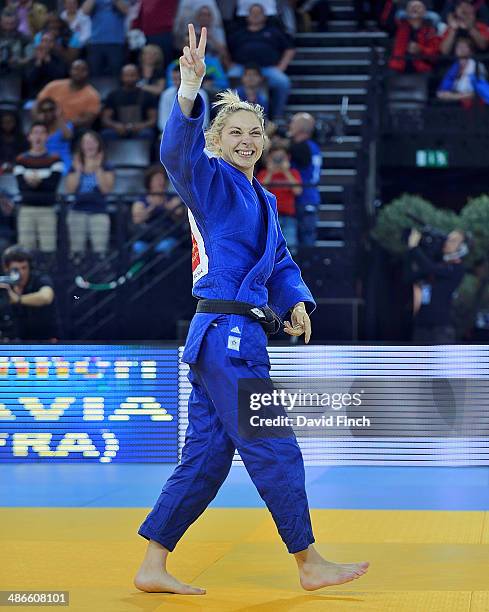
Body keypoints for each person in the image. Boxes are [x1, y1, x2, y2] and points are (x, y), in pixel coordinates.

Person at [134, 23, 369, 595]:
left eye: (255, 132)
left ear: (265, 142)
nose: (247, 140)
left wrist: (297, 303)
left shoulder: (262, 197)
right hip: (226, 334)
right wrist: (189, 88)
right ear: (215, 139)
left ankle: (151, 566)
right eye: (235, 131)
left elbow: (281, 261)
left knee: (209, 458)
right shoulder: (209, 179)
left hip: (235, 333)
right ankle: (309, 561)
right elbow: (175, 152)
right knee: (273, 444)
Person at [227, 3, 295, 120]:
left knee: (283, 82)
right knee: (227, 78)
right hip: (242, 69)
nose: (255, 15)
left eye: (259, 13)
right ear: (247, 16)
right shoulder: (239, 33)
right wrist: (228, 64)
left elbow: (290, 49)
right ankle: (228, 115)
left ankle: (277, 116)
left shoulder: (274, 32)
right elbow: (226, 49)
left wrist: (281, 67)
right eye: (253, 13)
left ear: (265, 16)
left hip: (267, 69)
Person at [407, 228, 466, 344]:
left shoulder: (457, 268)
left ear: (462, 247)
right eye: (447, 239)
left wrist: (414, 248)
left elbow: (431, 268)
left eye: (453, 241)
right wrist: (411, 251)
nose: (447, 242)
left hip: (440, 329)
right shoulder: (439, 263)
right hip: (421, 325)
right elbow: (410, 275)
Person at [13, 122, 63, 253]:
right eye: (35, 132)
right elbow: (21, 186)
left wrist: (35, 182)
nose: (38, 136)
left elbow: (52, 185)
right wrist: (41, 182)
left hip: (47, 210)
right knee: (25, 250)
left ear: (47, 136)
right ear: (29, 137)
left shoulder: (55, 159)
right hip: (26, 210)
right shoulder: (20, 160)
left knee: (49, 249)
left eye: (41, 132)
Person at [65, 130, 114, 262]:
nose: (89, 145)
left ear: (98, 145)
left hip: (99, 211)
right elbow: (70, 190)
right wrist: (78, 171)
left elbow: (106, 190)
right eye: (86, 142)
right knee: (76, 252)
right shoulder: (74, 166)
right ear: (81, 146)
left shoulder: (106, 166)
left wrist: (98, 168)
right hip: (77, 211)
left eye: (93, 141)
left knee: (100, 251)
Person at [0, 244, 59, 340]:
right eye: (16, 270)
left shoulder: (39, 279)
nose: (21, 273)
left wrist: (17, 299)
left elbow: (46, 297)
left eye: (24, 268)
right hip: (12, 344)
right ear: (7, 269)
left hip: (43, 342)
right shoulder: (4, 285)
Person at [131, 165, 185, 256]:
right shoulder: (141, 201)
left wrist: (167, 207)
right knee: (138, 247)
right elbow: (136, 219)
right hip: (148, 238)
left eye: (162, 178)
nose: (160, 182)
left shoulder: (172, 198)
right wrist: (149, 210)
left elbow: (179, 212)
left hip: (168, 236)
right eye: (156, 179)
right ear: (149, 182)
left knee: (164, 247)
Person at [257, 143, 302, 252]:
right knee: (269, 248)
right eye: (275, 158)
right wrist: (270, 172)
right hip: (269, 216)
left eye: (281, 158)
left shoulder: (293, 173)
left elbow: (298, 191)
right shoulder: (263, 173)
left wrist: (286, 171)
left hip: (288, 217)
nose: (278, 161)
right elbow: (260, 192)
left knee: (290, 248)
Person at [37, 59, 101, 131]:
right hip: (47, 127)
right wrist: (40, 118)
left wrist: (63, 124)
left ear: (88, 73)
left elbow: (88, 120)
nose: (78, 72)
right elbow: (37, 104)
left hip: (73, 131)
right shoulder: (53, 85)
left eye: (83, 70)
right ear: (70, 71)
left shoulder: (93, 95)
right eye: (76, 69)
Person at [288, 112, 322, 247]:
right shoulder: (313, 145)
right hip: (311, 197)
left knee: (303, 243)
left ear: (300, 128)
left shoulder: (301, 147)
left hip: (303, 197)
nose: (289, 125)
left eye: (292, 123)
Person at [101, 63, 158, 140]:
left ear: (138, 76)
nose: (130, 78)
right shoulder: (113, 95)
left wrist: (141, 126)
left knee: (147, 133)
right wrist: (116, 126)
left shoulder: (147, 95)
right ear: (121, 77)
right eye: (126, 75)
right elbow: (105, 119)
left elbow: (153, 119)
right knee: (107, 134)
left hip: (140, 129)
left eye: (133, 75)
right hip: (119, 129)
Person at [388, 0, 441, 73]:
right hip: (398, 69)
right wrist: (392, 3)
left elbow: (434, 55)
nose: (415, 9)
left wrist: (420, 50)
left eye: (418, 7)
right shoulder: (399, 26)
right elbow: (386, 19)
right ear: (406, 12)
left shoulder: (431, 31)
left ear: (425, 12)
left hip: (422, 70)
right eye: (412, 7)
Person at [158, 64, 210, 133]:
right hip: (171, 133)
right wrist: (173, 133)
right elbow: (162, 121)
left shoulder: (201, 94)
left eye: (180, 79)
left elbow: (204, 122)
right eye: (174, 79)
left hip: (196, 134)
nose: (177, 82)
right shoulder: (166, 94)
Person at [437, 36, 488, 106]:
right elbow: (441, 92)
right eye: (459, 46)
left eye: (465, 47)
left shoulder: (477, 67)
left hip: (473, 105)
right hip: (454, 104)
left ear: (471, 51)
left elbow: (479, 92)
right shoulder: (452, 68)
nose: (461, 49)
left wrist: (453, 97)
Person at [82, 0, 128, 77]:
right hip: (96, 42)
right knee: (94, 73)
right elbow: (85, 11)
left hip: (116, 42)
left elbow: (125, 10)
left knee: (117, 74)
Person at [34, 97, 73, 174]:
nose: (48, 112)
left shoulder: (65, 124)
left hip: (62, 160)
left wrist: (58, 117)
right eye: (44, 110)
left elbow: (68, 136)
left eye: (51, 109)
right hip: (43, 160)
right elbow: (35, 143)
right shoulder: (39, 127)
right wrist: (40, 122)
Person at [24, 32, 66, 100]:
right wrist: (38, 62)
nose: (47, 44)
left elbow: (59, 77)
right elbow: (29, 80)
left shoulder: (60, 60)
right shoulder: (32, 60)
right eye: (44, 41)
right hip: (34, 97)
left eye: (50, 41)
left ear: (54, 44)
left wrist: (48, 61)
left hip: (54, 97)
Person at [0, 7, 33, 74]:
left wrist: (19, 61)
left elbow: (31, 57)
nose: (9, 27)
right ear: (1, 22)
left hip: (17, 73)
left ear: (17, 23)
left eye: (11, 23)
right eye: (6, 23)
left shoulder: (25, 38)